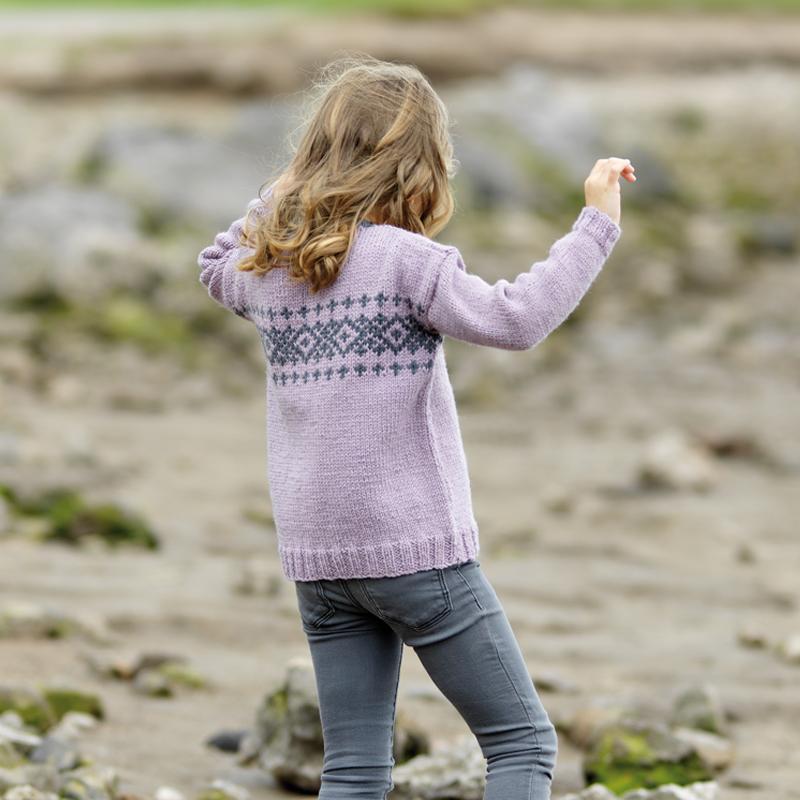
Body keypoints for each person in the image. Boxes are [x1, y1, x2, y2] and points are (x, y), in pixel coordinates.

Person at [197, 54, 634, 800]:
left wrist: (284, 198)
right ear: (420, 167)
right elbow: (517, 318)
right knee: (522, 743)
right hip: (413, 551)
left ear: (314, 155)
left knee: (355, 767)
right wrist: (595, 225)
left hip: (320, 555)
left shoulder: (269, 265)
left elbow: (213, 263)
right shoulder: (404, 262)